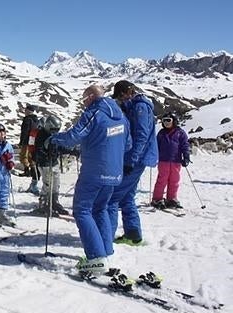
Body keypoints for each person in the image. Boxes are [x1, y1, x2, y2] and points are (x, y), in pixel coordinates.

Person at [47, 85, 131, 275]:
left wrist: (54, 139)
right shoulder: (121, 116)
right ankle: (105, 253)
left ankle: (95, 258)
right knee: (100, 209)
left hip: (94, 171)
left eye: (84, 99)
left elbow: (74, 136)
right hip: (115, 173)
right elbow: (128, 144)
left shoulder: (94, 113)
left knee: (82, 210)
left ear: (92, 97)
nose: (84, 104)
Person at [108, 80, 158, 246]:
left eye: (120, 97)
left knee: (113, 197)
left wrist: (131, 160)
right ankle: (133, 235)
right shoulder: (136, 106)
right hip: (137, 158)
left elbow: (142, 135)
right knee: (127, 197)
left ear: (125, 93)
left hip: (136, 159)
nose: (121, 101)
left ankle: (105, 238)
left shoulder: (140, 108)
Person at [33, 115, 74, 216]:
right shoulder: (41, 135)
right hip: (45, 164)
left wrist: (71, 151)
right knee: (48, 183)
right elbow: (38, 150)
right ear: (47, 126)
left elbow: (59, 146)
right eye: (52, 129)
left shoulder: (54, 136)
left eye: (56, 129)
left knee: (56, 184)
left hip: (54, 163)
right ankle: (43, 204)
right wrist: (47, 155)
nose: (54, 132)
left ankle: (54, 202)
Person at [151, 112, 191, 209]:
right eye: (164, 121)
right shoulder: (161, 133)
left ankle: (171, 198)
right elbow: (156, 145)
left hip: (176, 161)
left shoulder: (180, 133)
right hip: (163, 160)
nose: (166, 123)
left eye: (169, 120)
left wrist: (186, 156)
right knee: (162, 180)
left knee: (174, 180)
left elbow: (185, 145)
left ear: (174, 121)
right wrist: (153, 155)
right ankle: (157, 198)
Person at [18, 104, 38, 178]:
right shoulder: (36, 120)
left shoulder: (27, 119)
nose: (24, 111)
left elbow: (25, 131)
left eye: (26, 110)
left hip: (26, 141)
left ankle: (27, 171)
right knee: (30, 156)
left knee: (23, 156)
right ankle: (33, 171)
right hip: (33, 141)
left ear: (28, 111)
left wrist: (22, 141)